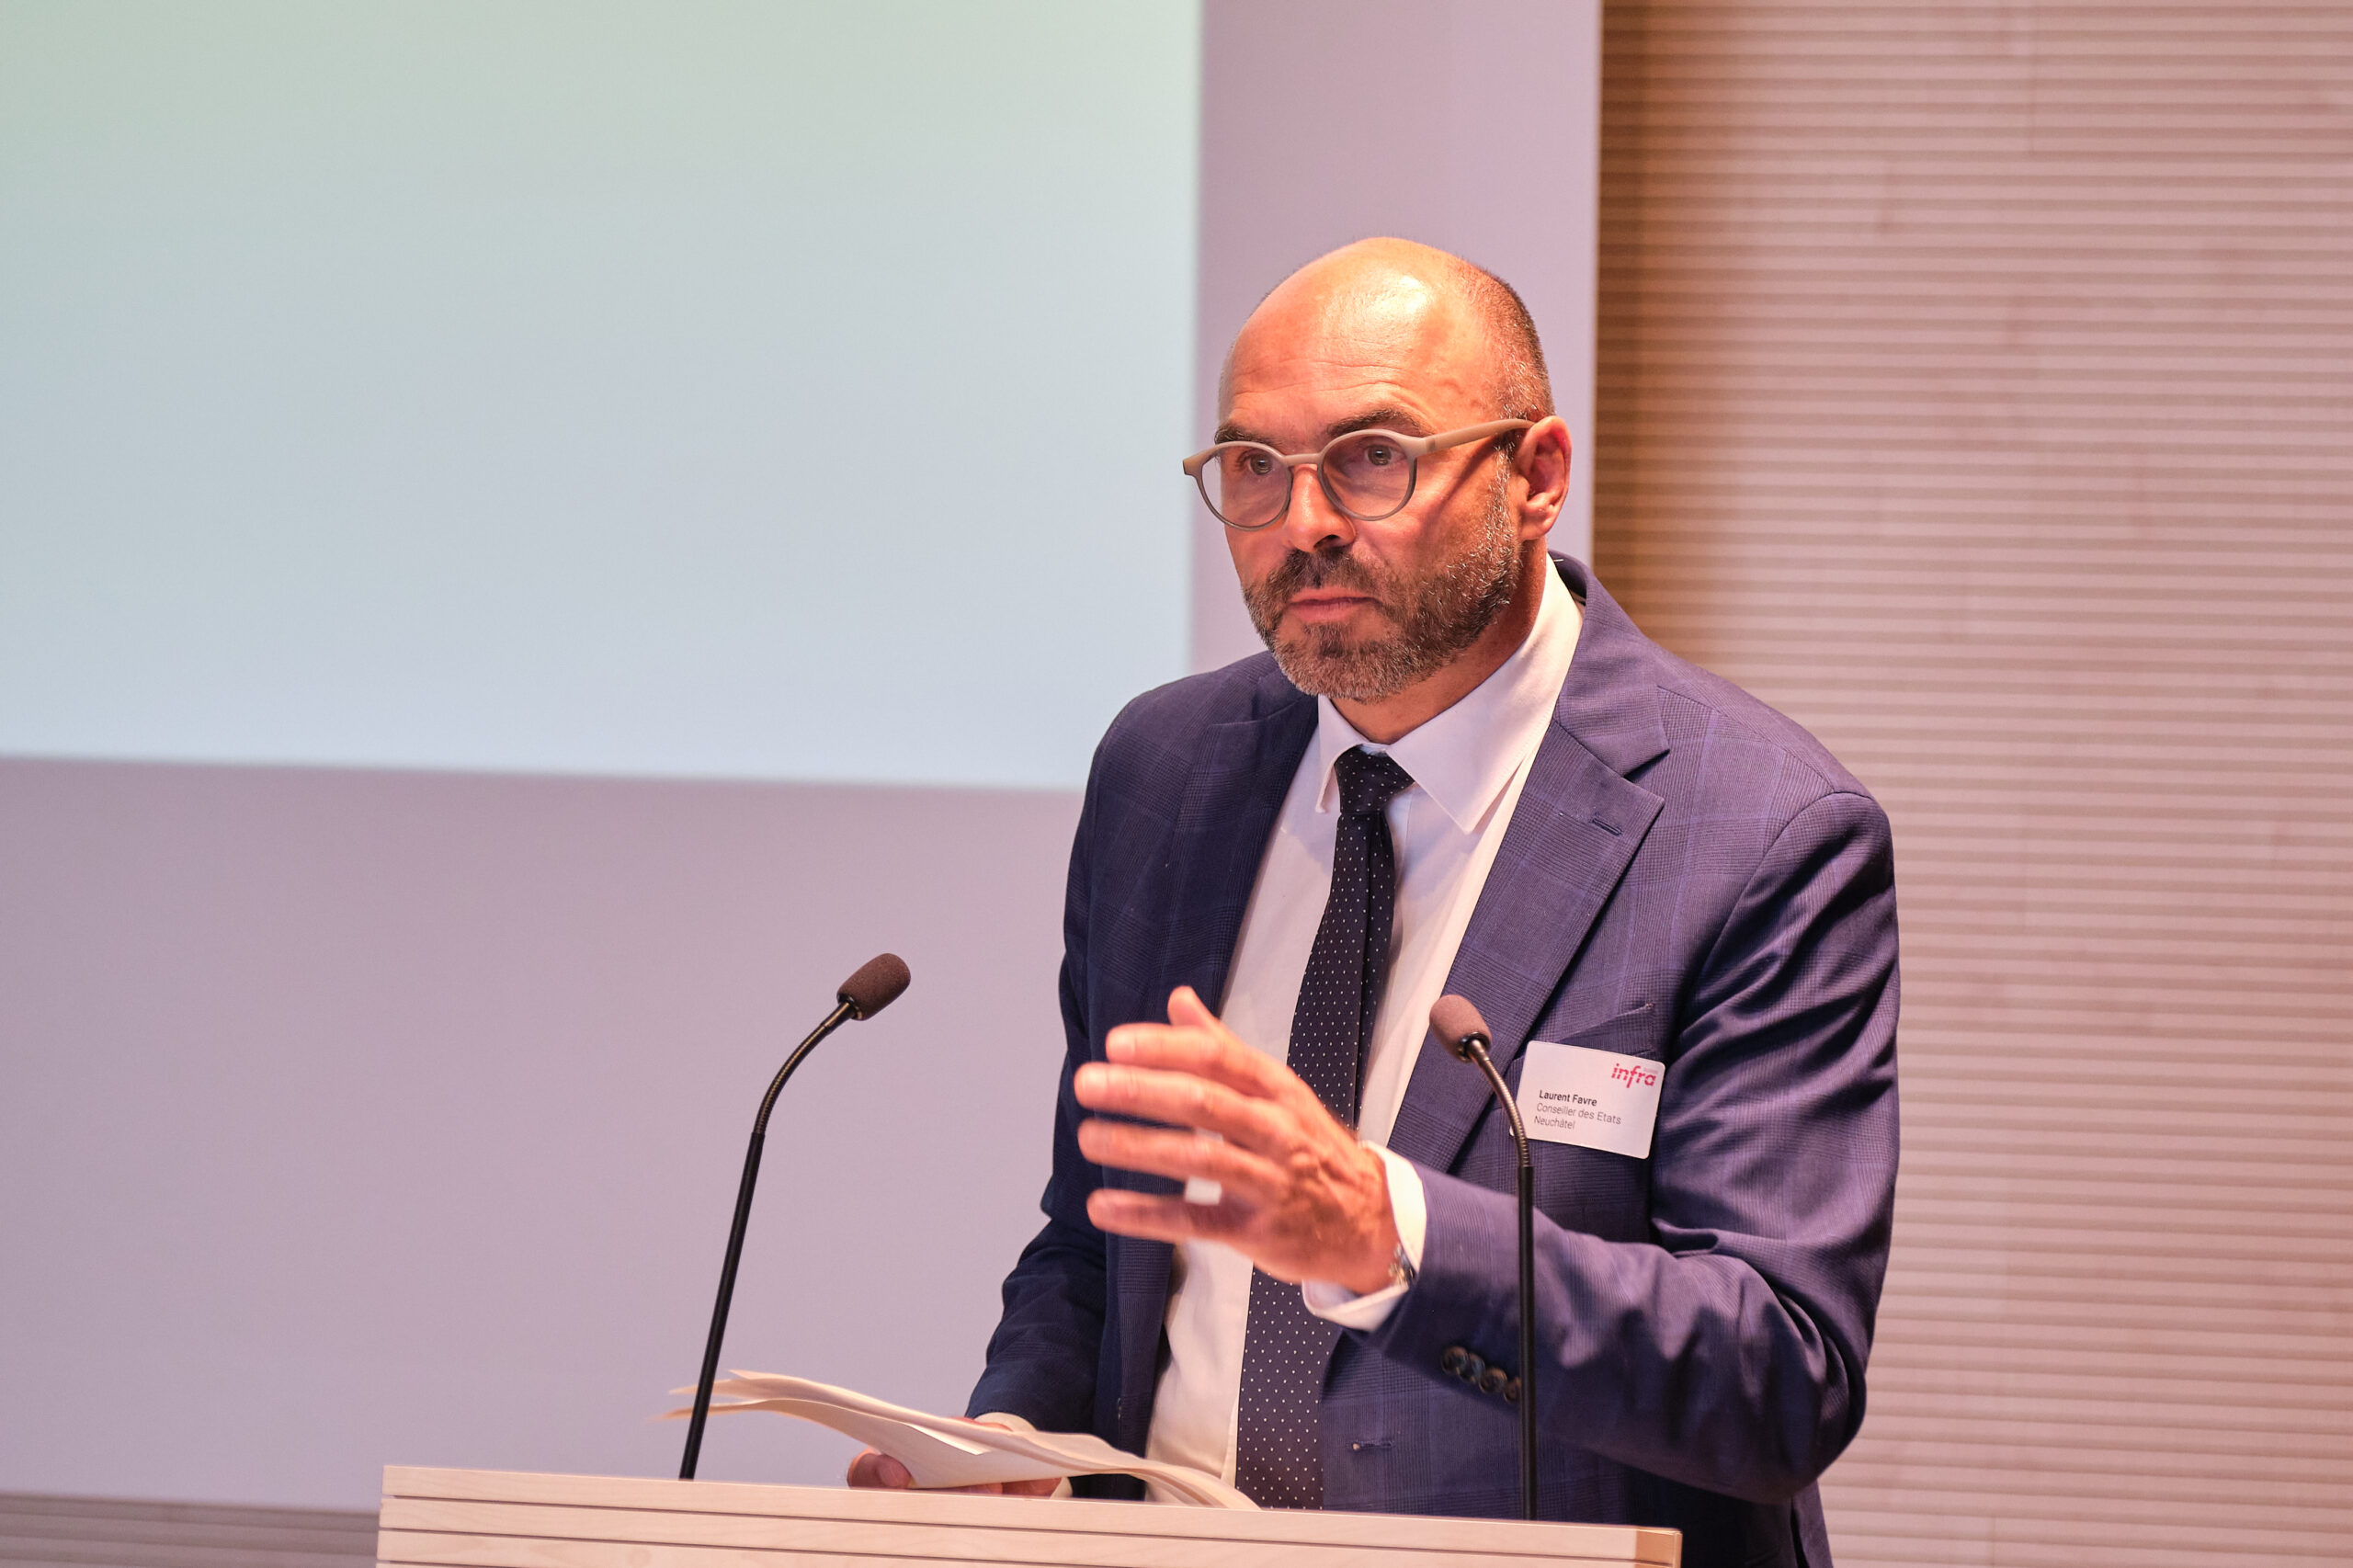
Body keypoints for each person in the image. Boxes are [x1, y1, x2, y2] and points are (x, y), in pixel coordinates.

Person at [851, 238, 1899, 1568]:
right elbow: (1098, 1239)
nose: (1304, 522)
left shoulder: (1756, 829)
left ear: (1536, 476)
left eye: (1371, 457)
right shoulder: (1164, 771)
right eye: (1254, 467)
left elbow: (1779, 1375)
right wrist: (1011, 1441)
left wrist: (1387, 1232)